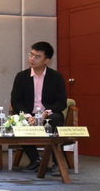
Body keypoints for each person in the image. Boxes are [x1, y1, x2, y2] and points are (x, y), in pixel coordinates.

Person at [10, 41, 67, 174]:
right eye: (31, 55)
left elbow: (61, 102)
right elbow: (15, 101)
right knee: (17, 122)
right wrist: (27, 116)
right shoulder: (21, 76)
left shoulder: (56, 77)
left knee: (55, 119)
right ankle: (36, 160)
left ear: (47, 60)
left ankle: (57, 162)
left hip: (48, 114)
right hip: (28, 114)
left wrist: (46, 113)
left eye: (37, 56)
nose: (32, 59)